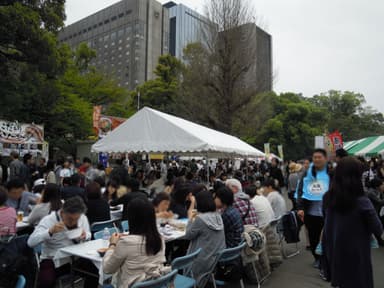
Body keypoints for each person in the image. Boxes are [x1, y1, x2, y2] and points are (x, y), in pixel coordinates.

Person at [322, 157, 384, 288]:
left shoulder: (328, 198)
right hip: (357, 257)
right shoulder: (362, 201)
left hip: (335, 253)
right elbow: (378, 228)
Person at [27, 196, 93, 288]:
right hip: (52, 258)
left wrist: (85, 235)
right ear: (62, 212)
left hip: (75, 257)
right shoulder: (48, 220)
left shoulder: (82, 217)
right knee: (46, 281)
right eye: (70, 219)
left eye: (76, 219)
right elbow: (30, 242)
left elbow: (88, 234)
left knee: (94, 271)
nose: (73, 222)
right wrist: (50, 231)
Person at [103, 198, 169, 287]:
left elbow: (107, 269)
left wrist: (112, 244)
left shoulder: (126, 243)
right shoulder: (160, 239)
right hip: (154, 284)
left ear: (131, 218)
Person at [296, 149, 330, 268]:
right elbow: (300, 191)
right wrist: (300, 208)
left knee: (329, 236)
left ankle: (328, 258)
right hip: (311, 212)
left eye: (319, 157)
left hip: (327, 212)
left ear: (325, 159)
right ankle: (317, 258)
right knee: (313, 236)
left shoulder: (330, 172)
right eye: (315, 157)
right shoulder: (307, 173)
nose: (317, 159)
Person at [184, 190, 225, 287]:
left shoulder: (200, 219)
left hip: (200, 260)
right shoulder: (218, 215)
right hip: (214, 257)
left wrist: (191, 215)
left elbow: (188, 235)